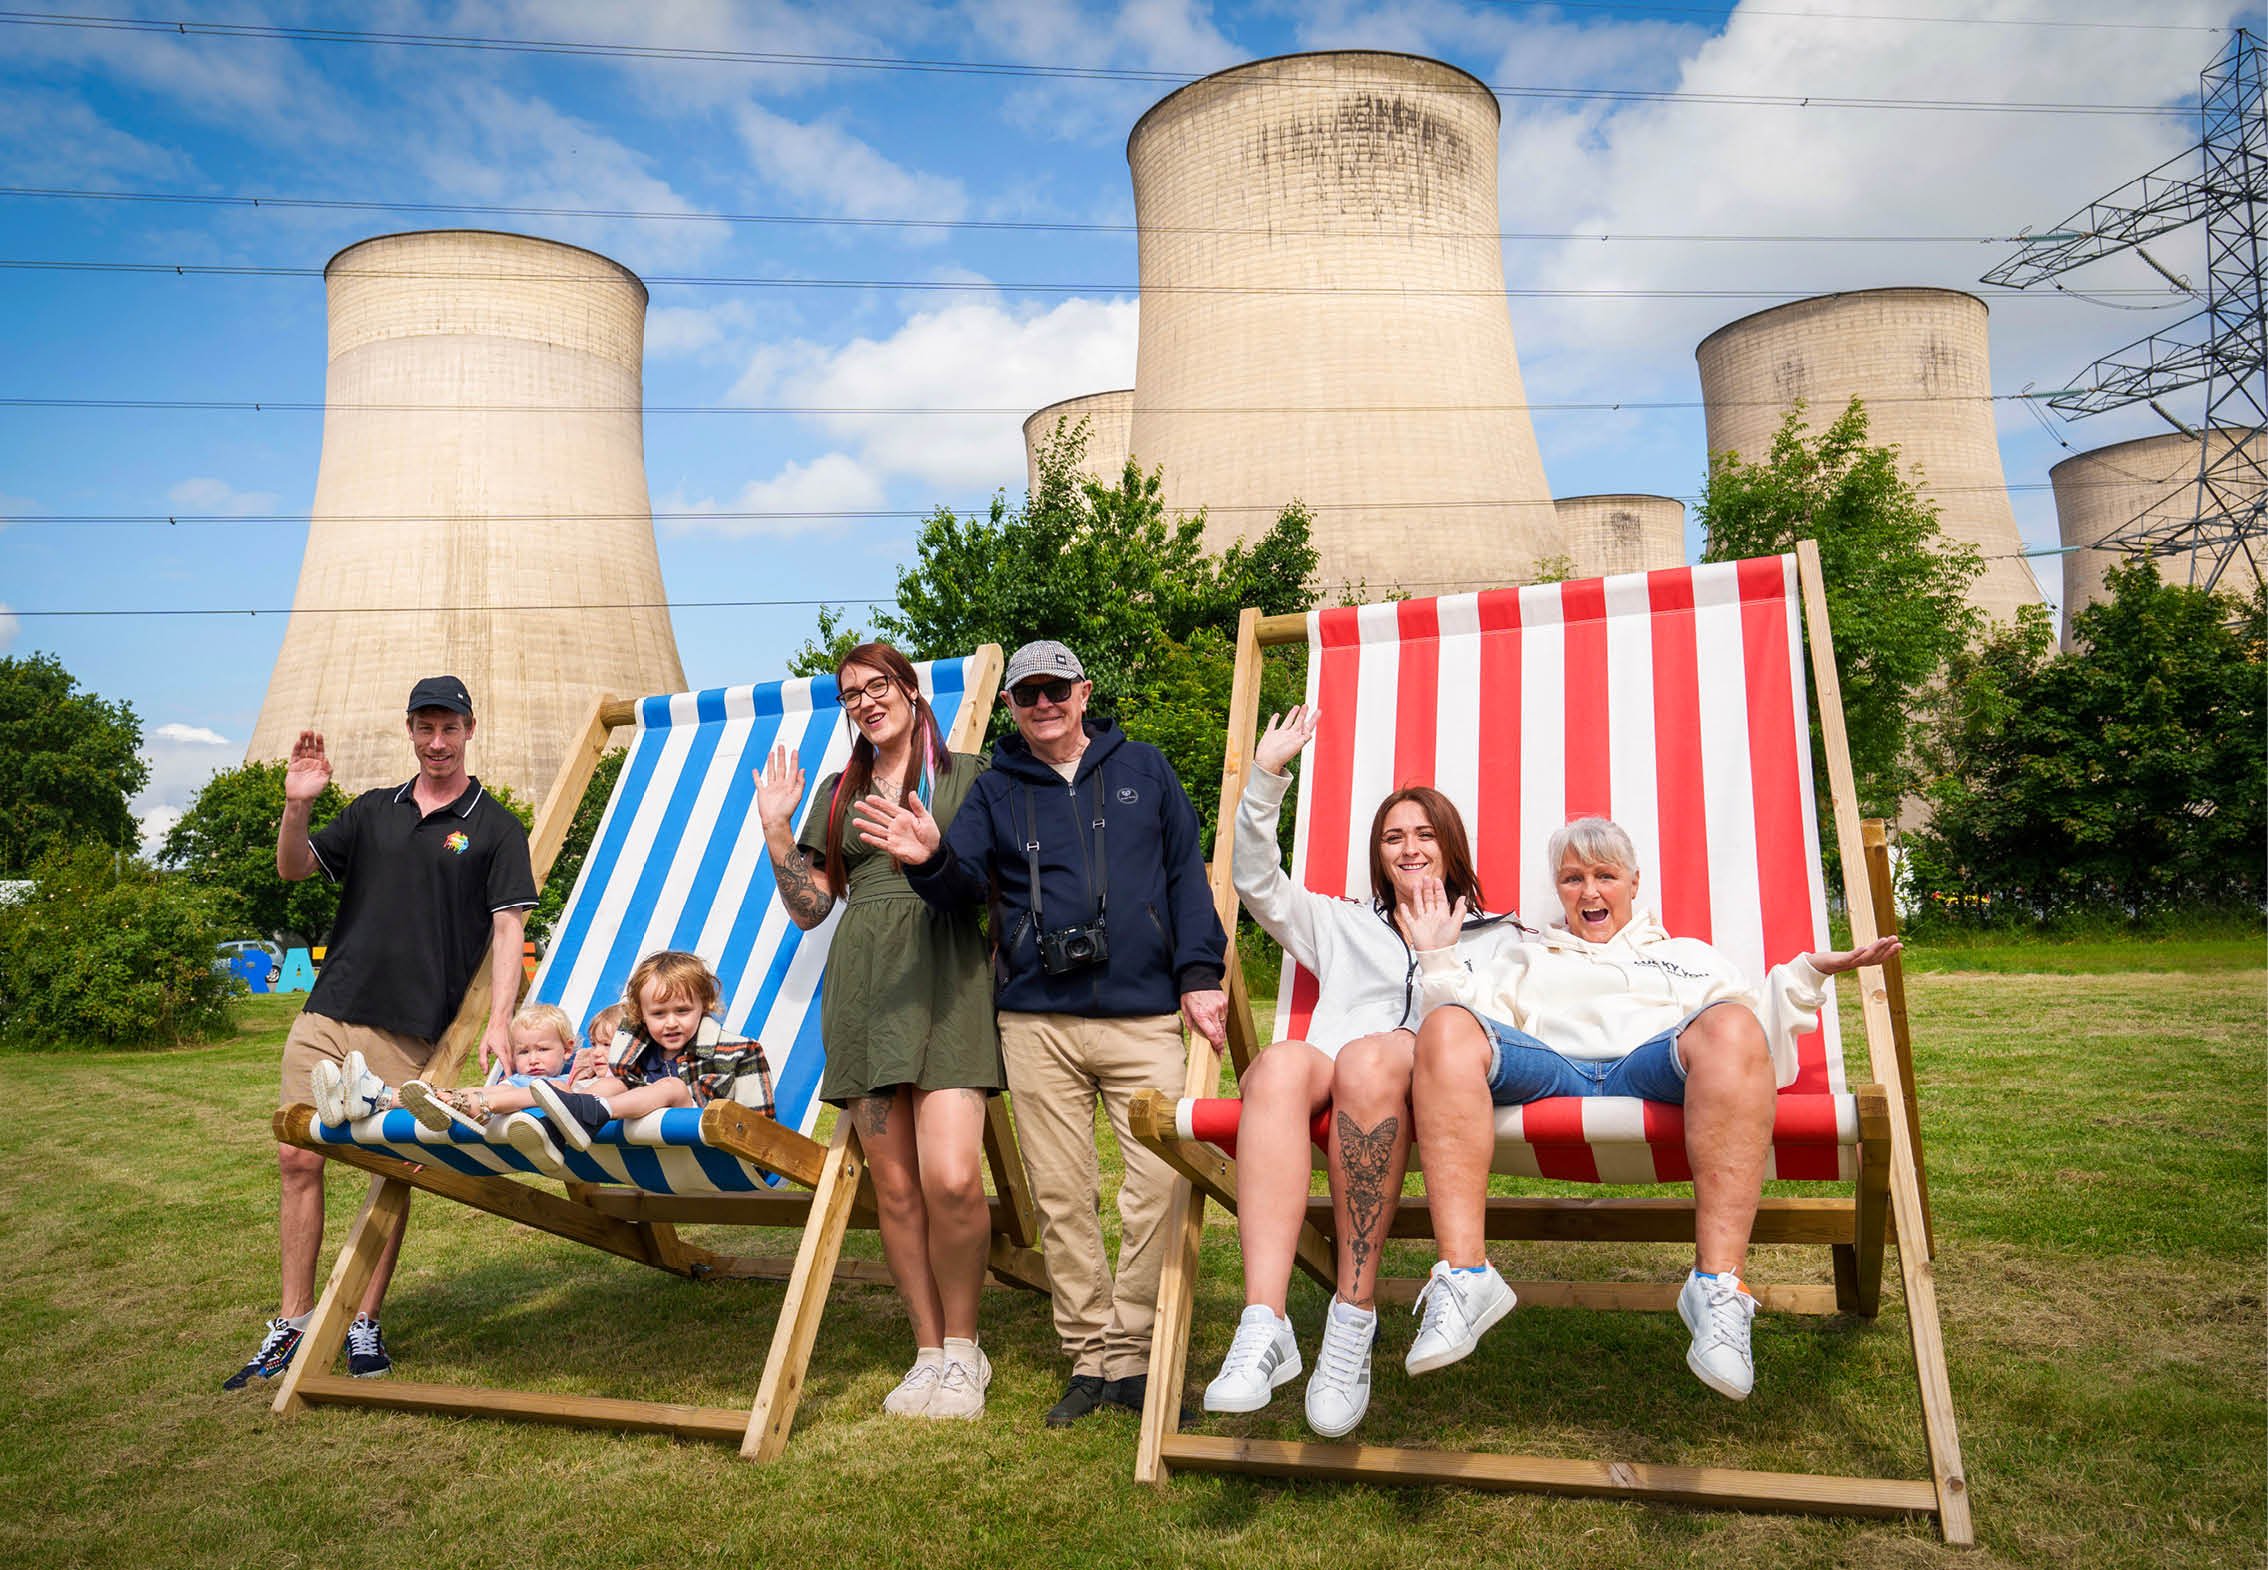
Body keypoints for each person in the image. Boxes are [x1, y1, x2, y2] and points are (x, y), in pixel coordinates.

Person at [858, 639, 1229, 1428]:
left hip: (1143, 1015)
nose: (1043, 704)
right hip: (1036, 1020)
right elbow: (958, 886)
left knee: (1159, 1187)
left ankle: (1129, 1349)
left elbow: (1185, 876)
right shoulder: (995, 791)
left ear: (1084, 691)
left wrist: (1200, 976)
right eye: (1026, 695)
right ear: (1013, 708)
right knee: (1062, 1200)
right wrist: (927, 859)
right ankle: (1091, 1361)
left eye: (1055, 689)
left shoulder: (1147, 770)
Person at [1401, 816, 1900, 1400]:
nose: (1588, 892)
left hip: (1652, 1065)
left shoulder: (1690, 957)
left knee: (1732, 1023)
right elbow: (1463, 1029)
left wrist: (1806, 974)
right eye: (1572, 878)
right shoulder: (1521, 958)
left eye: (1604, 875)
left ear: (1634, 884)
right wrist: (1436, 959)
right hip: (1546, 1066)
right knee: (1444, 1027)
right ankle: (1465, 1277)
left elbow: (1749, 1046)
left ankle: (1716, 1288)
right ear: (1557, 888)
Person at [1201, 706, 1531, 1437]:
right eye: (1392, 837)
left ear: (1451, 845)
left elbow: (1503, 1032)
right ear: (1377, 853)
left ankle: (1351, 1320)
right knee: (1279, 1065)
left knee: (1373, 1053)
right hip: (1338, 1073)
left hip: (1429, 1079)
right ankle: (1266, 1323)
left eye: (1423, 834)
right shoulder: (1343, 923)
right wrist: (1266, 777)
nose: (1408, 848)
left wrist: (1442, 952)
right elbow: (1255, 880)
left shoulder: (1503, 935)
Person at [228, 676, 537, 1391]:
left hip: (408, 1028)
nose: (436, 743)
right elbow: (293, 867)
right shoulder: (371, 812)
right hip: (328, 1010)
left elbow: (507, 927)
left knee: (389, 1166)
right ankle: (294, 1320)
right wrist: (297, 806)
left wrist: (496, 1020)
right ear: (409, 730)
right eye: (424, 728)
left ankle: (362, 1321)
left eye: (449, 729)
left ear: (469, 730)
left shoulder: (495, 827)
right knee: (297, 1158)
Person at [753, 641, 1000, 1421]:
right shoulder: (838, 792)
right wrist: (776, 829)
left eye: (877, 685)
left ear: (909, 688)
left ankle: (966, 1352)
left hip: (949, 980)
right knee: (895, 1189)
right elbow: (812, 907)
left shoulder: (967, 776)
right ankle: (927, 1353)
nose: (864, 701)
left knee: (954, 1177)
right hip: (863, 994)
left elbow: (995, 884)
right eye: (849, 694)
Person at [508, 949, 774, 1163]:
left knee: (671, 1086)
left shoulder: (739, 1052)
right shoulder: (638, 1053)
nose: (670, 1023)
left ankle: (591, 1112)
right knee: (616, 1083)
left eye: (682, 1011)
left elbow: (761, 1128)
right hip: (657, 1147)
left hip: (713, 1144)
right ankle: (554, 1129)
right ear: (642, 1015)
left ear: (704, 1005)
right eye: (658, 1014)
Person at [394, 1002, 582, 1135]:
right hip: (493, 1117)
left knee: (517, 1091)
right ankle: (389, 1097)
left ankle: (454, 1101)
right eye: (523, 1052)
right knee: (478, 1090)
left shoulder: (569, 1082)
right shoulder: (518, 1079)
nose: (533, 1060)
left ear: (567, 1049)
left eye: (543, 1049)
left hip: (515, 1119)